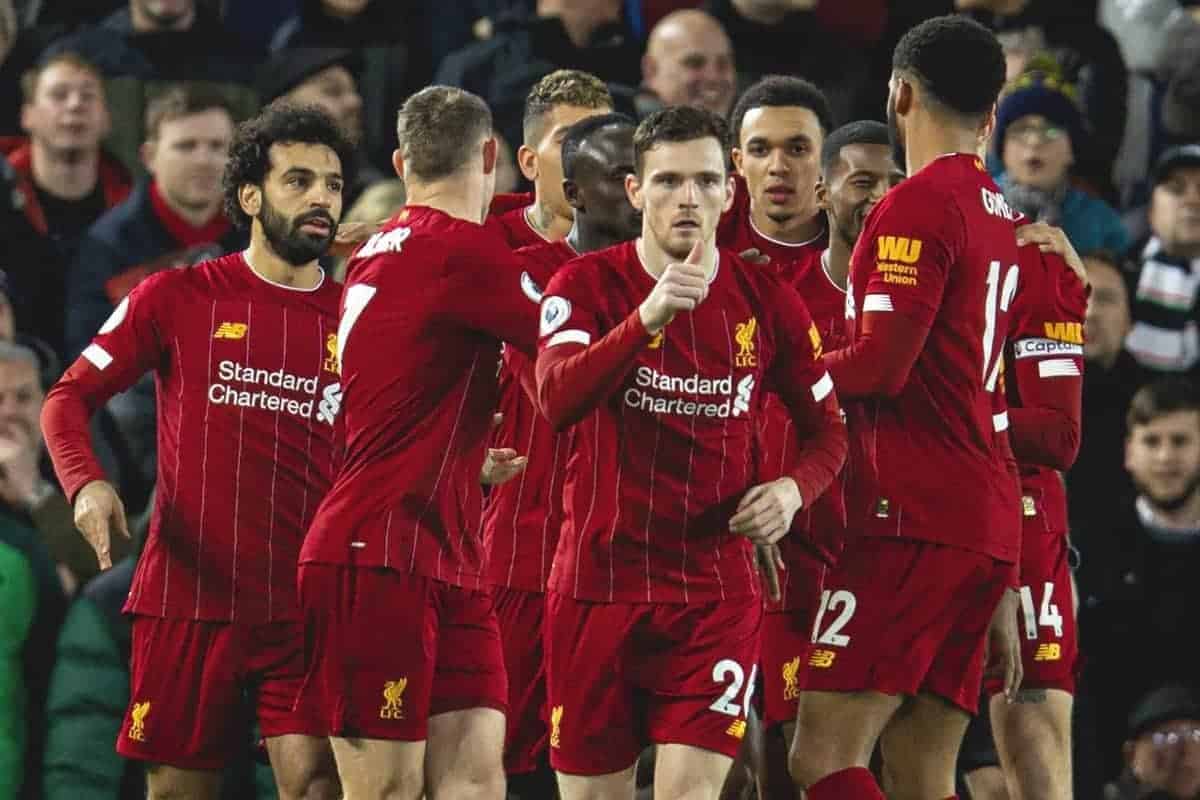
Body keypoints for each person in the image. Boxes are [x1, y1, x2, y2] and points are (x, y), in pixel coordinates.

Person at [40, 102, 353, 800]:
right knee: (180, 792)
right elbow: (66, 398)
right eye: (298, 180)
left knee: (316, 787)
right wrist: (86, 483)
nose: (320, 198)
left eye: (332, 184)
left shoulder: (359, 314)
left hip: (306, 606)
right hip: (189, 597)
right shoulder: (178, 296)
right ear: (249, 196)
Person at [533, 104, 847, 800]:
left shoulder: (766, 300)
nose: (689, 198)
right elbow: (555, 400)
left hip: (712, 593)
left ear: (729, 191)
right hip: (597, 585)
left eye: (706, 181)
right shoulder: (583, 288)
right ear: (635, 190)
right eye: (669, 181)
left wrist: (793, 492)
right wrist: (646, 319)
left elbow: (830, 431)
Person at [788, 16, 1024, 800]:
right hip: (979, 518)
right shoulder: (1000, 214)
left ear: (901, 93)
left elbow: (881, 366)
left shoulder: (917, 205)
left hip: (909, 516)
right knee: (921, 772)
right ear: (994, 111)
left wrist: (774, 373)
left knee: (819, 755)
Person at [296, 85, 542, 800]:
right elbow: (561, 342)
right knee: (386, 792)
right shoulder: (461, 250)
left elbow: (395, 396)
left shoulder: (379, 248)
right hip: (381, 555)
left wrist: (462, 458)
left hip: (446, 550)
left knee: (474, 783)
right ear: (493, 155)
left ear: (403, 163)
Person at [486, 110, 641, 800]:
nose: (637, 192)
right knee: (507, 768)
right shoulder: (525, 275)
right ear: (572, 192)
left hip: (639, 564)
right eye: (619, 177)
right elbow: (560, 395)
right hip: (529, 555)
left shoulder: (695, 281)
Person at [756, 119, 901, 800]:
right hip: (796, 564)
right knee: (790, 760)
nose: (879, 198)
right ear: (822, 190)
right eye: (862, 181)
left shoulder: (927, 300)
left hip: (895, 560)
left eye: (895, 184)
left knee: (906, 765)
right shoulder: (778, 298)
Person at [963, 221, 1089, 800]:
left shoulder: (1025, 255)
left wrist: (944, 420)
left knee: (1030, 760)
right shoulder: (771, 277)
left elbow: (1059, 435)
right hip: (873, 526)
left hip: (1016, 515)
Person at [486, 69, 613, 248]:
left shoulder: (642, 249)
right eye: (569, 141)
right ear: (529, 163)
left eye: (602, 140)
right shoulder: (489, 247)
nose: (591, 156)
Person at [721, 75, 833, 262]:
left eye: (797, 149)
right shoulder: (707, 227)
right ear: (739, 162)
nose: (778, 167)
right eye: (760, 150)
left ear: (826, 159)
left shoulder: (860, 231)